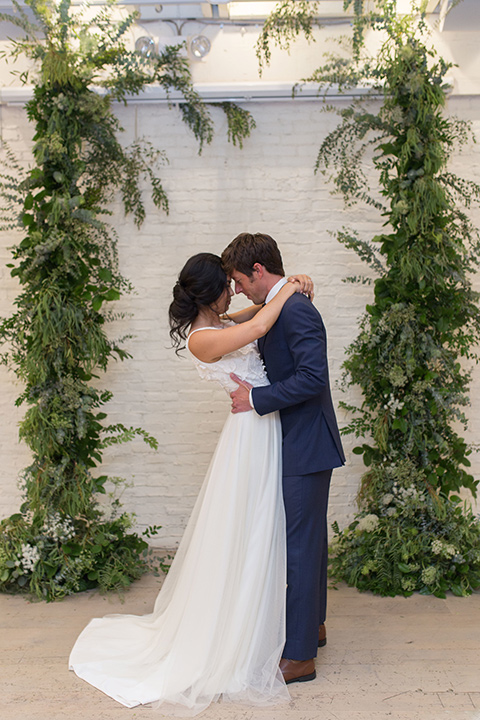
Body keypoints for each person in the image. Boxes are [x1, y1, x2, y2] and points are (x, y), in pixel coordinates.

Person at [69, 252, 313, 716]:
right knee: (252, 524)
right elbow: (261, 327)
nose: (234, 289)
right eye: (227, 283)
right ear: (209, 291)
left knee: (259, 527)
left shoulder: (219, 322)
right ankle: (240, 629)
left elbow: (255, 313)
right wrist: (287, 290)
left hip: (261, 427)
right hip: (251, 433)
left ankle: (261, 620)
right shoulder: (203, 339)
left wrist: (291, 282)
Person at [222, 232, 345, 685]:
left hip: (306, 443)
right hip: (295, 440)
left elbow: (314, 379)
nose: (235, 289)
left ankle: (299, 657)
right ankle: (313, 627)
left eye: (238, 280)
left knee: (299, 547)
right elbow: (249, 320)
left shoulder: (297, 310)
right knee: (307, 542)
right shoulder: (281, 303)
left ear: (257, 272)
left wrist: (256, 399)